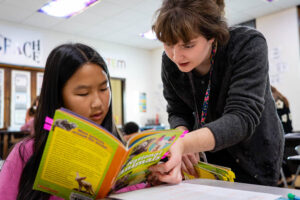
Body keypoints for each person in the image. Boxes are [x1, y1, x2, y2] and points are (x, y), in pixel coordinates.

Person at [149, 0, 284, 186]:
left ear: (212, 35)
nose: (176, 56)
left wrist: (185, 143)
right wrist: (181, 136)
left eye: (188, 45)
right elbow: (177, 112)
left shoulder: (247, 44)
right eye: (168, 44)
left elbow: (242, 117)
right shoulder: (170, 61)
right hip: (208, 157)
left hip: (254, 156)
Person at [0, 43, 125, 200]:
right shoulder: (25, 154)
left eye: (103, 88)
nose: (98, 103)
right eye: (83, 93)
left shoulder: (119, 151)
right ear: (58, 97)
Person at [271, 86, 294, 186]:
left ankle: (282, 178)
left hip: (282, 134)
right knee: (281, 156)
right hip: (287, 133)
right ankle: (287, 177)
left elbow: (276, 122)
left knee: (276, 156)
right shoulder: (283, 99)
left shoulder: (277, 102)